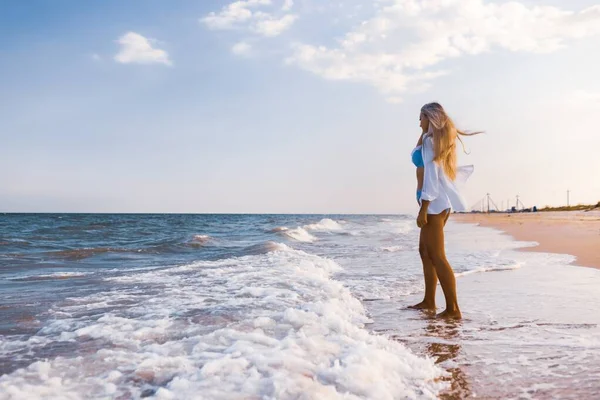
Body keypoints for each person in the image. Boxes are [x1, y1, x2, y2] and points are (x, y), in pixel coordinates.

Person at [409, 102, 480, 319]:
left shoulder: (431, 142)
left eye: (420, 117)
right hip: (434, 203)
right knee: (425, 252)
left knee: (437, 256)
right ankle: (429, 301)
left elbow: (430, 175)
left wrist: (424, 207)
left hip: (434, 205)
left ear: (429, 117)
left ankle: (453, 309)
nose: (418, 121)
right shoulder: (429, 139)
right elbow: (417, 155)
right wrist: (424, 131)